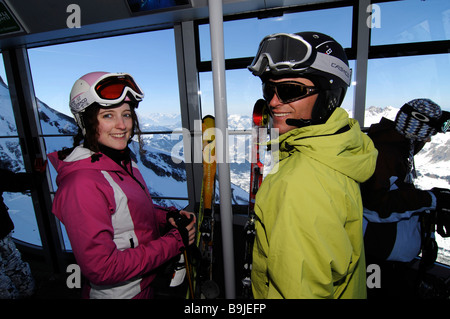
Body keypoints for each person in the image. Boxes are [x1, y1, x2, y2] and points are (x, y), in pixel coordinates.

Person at [247, 32, 378, 298]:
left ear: (328, 97)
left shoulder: (297, 185)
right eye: (269, 90)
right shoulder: (339, 151)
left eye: (290, 90)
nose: (273, 102)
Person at [48, 72, 196, 299]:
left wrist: (165, 217)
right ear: (85, 121)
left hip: (143, 285)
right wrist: (175, 241)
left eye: (126, 114)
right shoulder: (82, 185)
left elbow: (125, 211)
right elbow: (103, 269)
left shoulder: (121, 161)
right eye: (108, 115)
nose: (122, 124)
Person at [360, 98, 450, 298]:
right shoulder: (383, 153)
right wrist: (429, 200)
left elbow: (396, 194)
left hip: (386, 258)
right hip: (376, 259)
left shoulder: (398, 150)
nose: (428, 141)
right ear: (414, 130)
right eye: (427, 134)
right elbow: (374, 206)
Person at [0, 164, 37, 299]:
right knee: (13, 262)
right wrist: (37, 175)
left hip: (2, 228)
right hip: (2, 229)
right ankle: (28, 290)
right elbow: (14, 181)